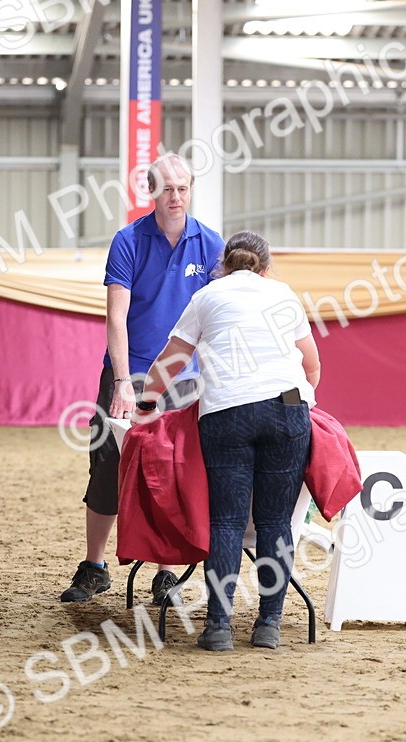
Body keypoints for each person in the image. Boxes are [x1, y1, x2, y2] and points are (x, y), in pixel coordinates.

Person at [136, 231, 321, 651]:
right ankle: (269, 624)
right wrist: (304, 402)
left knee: (227, 522)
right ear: (266, 266)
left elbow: (172, 359)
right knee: (275, 523)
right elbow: (312, 366)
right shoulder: (284, 294)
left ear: (224, 264)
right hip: (287, 407)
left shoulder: (208, 296)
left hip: (226, 410)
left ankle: (218, 626)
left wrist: (147, 403)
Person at [60, 154, 225, 606]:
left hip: (184, 379)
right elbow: (117, 318)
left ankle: (166, 574)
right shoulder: (128, 241)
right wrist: (122, 383)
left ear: (192, 190)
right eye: (167, 188)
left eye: (183, 188)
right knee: (107, 466)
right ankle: (94, 567)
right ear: (151, 192)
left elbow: (216, 317)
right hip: (129, 373)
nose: (176, 197)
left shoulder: (211, 244)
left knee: (173, 473)